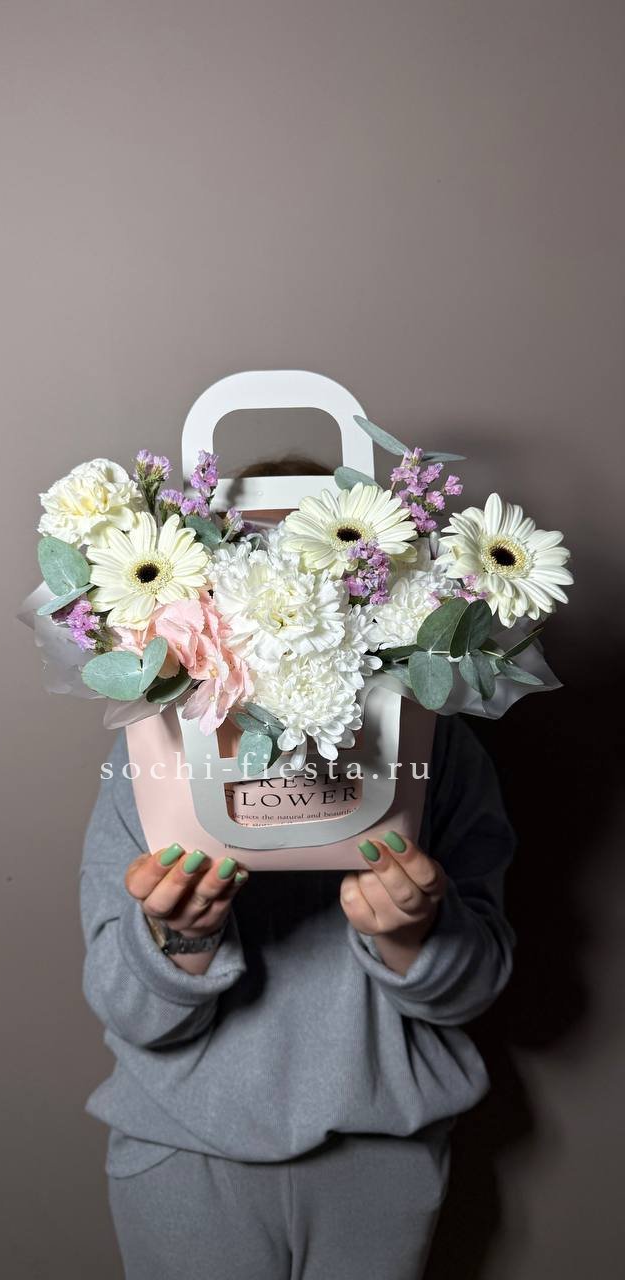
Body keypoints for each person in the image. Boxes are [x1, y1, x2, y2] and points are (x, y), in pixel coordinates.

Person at [78, 456, 517, 1279]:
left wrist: (413, 932)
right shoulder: (155, 747)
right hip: (184, 1149)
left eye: (325, 568)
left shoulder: (437, 745)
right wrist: (180, 937)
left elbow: (475, 987)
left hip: (381, 1157)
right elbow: (128, 1009)